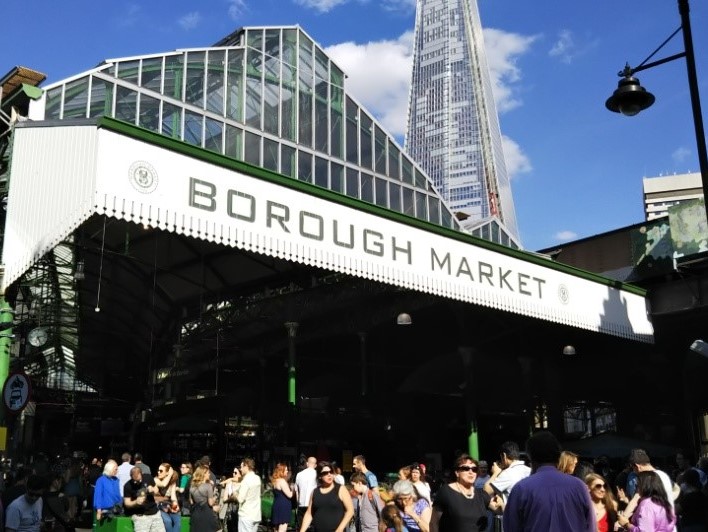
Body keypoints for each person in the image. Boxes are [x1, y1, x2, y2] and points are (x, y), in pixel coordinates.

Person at [503, 431, 595, 532]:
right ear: (558, 457)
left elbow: (511, 527)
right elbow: (591, 526)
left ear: (530, 457)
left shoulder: (521, 489)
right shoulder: (579, 487)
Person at [430, 454, 492, 532]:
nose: (471, 472)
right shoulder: (446, 492)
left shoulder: (481, 495)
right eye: (465, 468)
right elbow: (433, 523)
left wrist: (497, 473)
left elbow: (500, 509)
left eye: (474, 469)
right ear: (457, 473)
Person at [623, 448, 680, 521]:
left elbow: (635, 499)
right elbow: (677, 489)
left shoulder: (651, 478)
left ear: (638, 466)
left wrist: (623, 518)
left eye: (633, 469)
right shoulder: (660, 475)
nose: (634, 472)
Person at [483, 440, 530, 527]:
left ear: (504, 456)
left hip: (513, 522)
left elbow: (486, 491)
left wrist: (496, 472)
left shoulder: (508, 473)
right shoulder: (530, 470)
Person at [299, 461, 353, 532]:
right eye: (325, 473)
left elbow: (350, 511)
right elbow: (309, 513)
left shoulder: (341, 489)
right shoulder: (315, 492)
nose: (329, 474)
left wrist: (340, 529)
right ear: (320, 476)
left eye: (331, 472)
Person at [123, 466, 163, 531]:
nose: (137, 482)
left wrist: (152, 489)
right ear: (131, 477)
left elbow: (157, 490)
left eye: (139, 480)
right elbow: (127, 503)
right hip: (140, 517)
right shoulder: (128, 486)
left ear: (141, 474)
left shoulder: (148, 477)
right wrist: (135, 502)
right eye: (135, 481)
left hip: (155, 513)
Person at [189, 464, 220, 531]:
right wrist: (215, 497)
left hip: (195, 513)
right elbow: (210, 503)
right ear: (204, 474)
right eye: (208, 473)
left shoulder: (192, 486)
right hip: (206, 513)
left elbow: (191, 501)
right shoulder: (208, 486)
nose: (209, 474)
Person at [237, 458, 262, 532]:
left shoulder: (246, 480)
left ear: (246, 466)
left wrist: (235, 494)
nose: (240, 469)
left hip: (246, 515)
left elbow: (240, 499)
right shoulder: (257, 478)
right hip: (256, 515)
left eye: (241, 467)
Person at [154, 463, 181, 532]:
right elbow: (163, 484)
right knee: (167, 521)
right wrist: (169, 474)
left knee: (177, 522)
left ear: (166, 473)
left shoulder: (172, 482)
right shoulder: (155, 480)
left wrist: (175, 505)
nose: (158, 472)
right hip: (159, 506)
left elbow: (173, 496)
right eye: (158, 470)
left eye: (161, 471)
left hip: (169, 505)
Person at [295, 456, 318, 529]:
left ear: (307, 464)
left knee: (301, 527)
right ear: (315, 465)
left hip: (301, 504)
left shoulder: (299, 474)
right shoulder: (317, 475)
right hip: (313, 505)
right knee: (313, 527)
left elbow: (296, 491)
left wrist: (297, 503)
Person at [271, 462, 294, 532]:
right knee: (282, 528)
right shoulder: (282, 481)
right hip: (283, 506)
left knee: (277, 528)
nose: (287, 471)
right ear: (281, 471)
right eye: (286, 470)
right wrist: (294, 489)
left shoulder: (275, 481)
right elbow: (290, 495)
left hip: (277, 504)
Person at [219, 466, 242, 532]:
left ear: (240, 474)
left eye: (235, 473)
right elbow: (225, 498)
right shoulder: (229, 483)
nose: (233, 474)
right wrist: (230, 498)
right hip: (230, 512)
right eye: (233, 472)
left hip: (239, 512)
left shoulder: (243, 484)